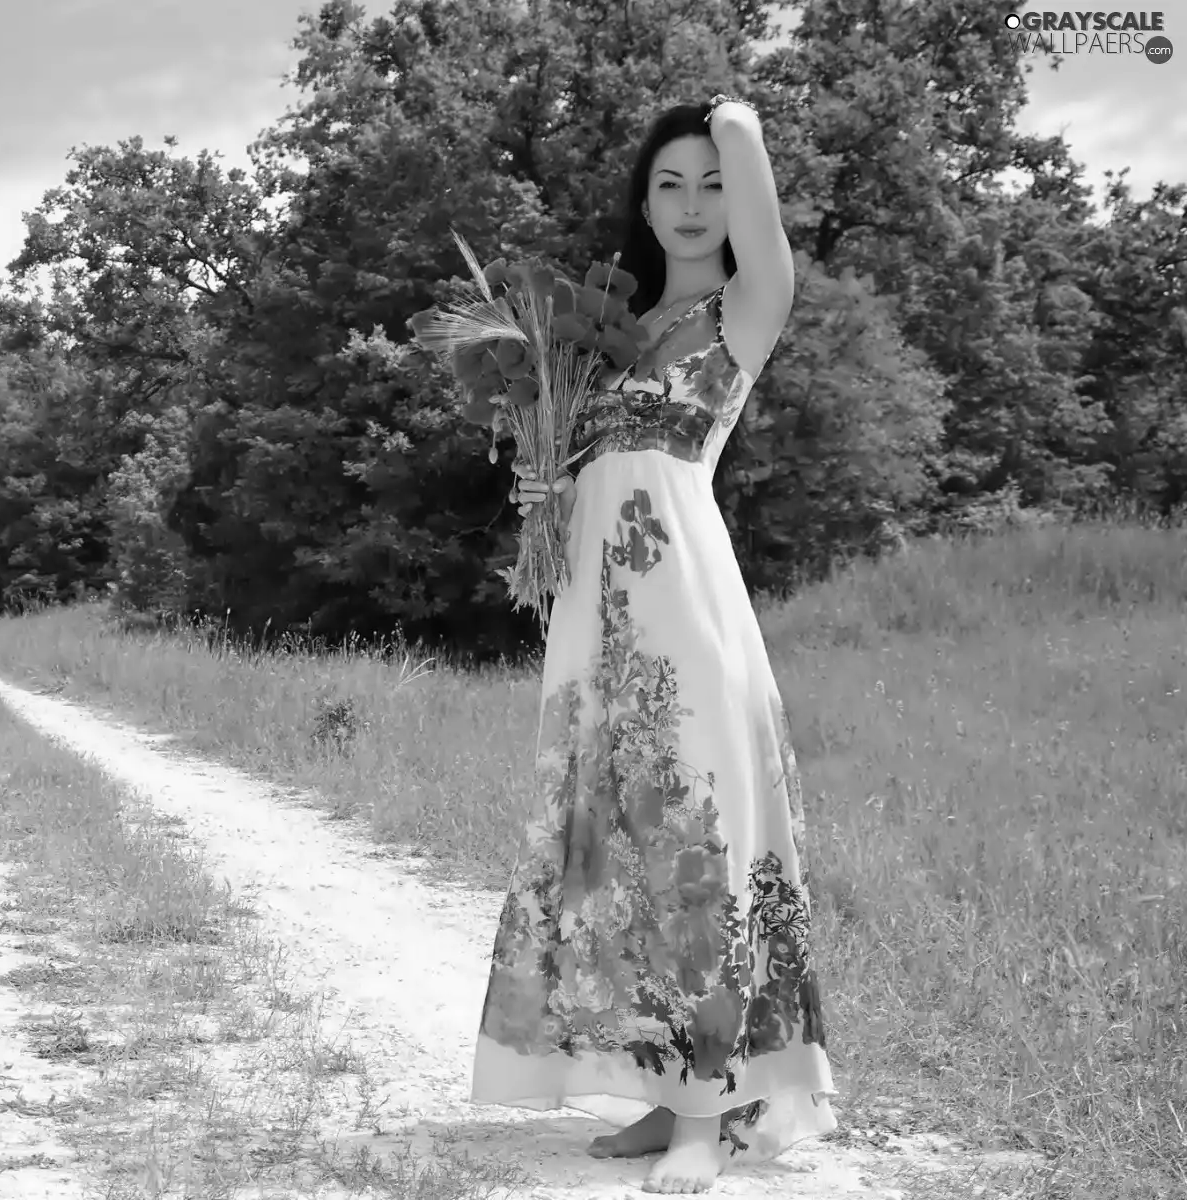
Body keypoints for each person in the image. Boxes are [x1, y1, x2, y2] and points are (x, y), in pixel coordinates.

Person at [479, 98, 836, 1194]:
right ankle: (656, 1084)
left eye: (711, 183)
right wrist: (543, 487)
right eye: (669, 185)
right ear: (642, 203)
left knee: (697, 843)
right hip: (599, 626)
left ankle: (710, 1109)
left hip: (686, 616)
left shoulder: (745, 311)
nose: (692, 205)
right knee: (617, 854)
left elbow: (751, 183)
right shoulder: (609, 339)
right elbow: (584, 477)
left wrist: (725, 117)